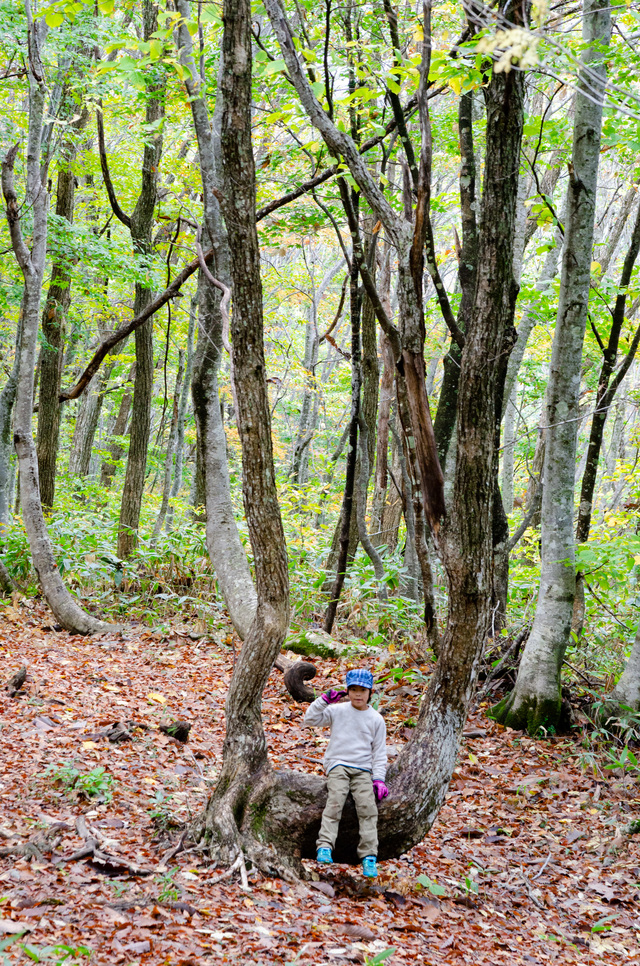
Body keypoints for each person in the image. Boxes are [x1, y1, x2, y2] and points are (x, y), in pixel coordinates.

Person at [303, 668, 388, 878]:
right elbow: (310, 719)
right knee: (335, 800)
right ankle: (324, 845)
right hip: (338, 764)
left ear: (371, 692)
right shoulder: (337, 711)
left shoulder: (376, 719)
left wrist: (378, 779)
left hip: (362, 770)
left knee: (367, 808)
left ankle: (369, 856)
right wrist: (324, 700)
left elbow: (379, 753)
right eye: (353, 690)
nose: (358, 694)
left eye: (363, 690)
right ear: (347, 691)